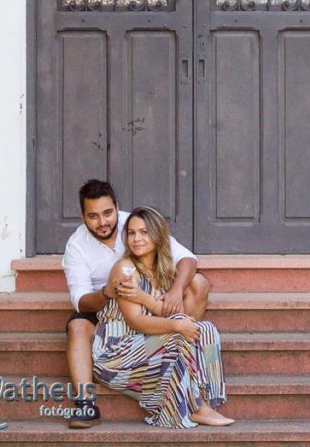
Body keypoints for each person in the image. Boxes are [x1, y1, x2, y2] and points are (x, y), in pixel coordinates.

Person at [62, 179, 209, 429]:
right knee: (77, 327)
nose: (103, 222)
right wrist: (107, 292)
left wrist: (175, 291)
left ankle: (185, 358)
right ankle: (86, 404)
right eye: (93, 216)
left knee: (198, 283)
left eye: (108, 213)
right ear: (82, 216)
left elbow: (187, 259)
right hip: (106, 306)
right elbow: (82, 301)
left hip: (147, 296)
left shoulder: (135, 224)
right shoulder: (76, 245)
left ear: (117, 208)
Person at [93, 206, 233, 428]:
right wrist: (176, 326)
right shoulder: (125, 270)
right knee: (178, 333)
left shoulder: (164, 270)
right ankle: (196, 407)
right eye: (131, 233)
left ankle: (201, 398)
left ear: (158, 235)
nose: (136, 239)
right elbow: (135, 321)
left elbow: (173, 314)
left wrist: (146, 299)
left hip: (146, 347)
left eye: (144, 232)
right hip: (116, 355)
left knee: (205, 329)